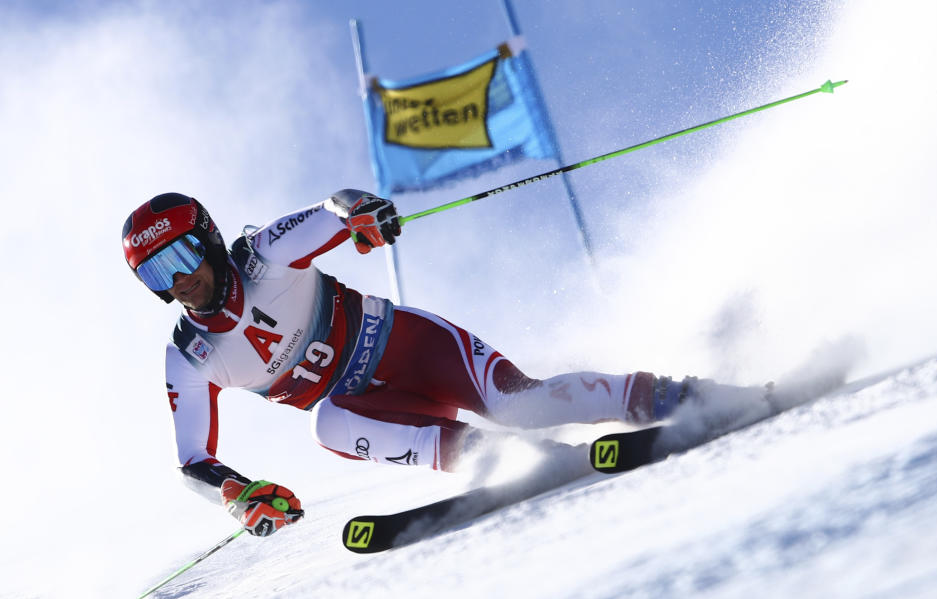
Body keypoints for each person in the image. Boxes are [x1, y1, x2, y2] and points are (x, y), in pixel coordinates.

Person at [122, 191, 763, 537]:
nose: (178, 281)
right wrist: (239, 496)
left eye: (179, 258)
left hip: (407, 346)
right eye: (156, 273)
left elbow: (333, 209)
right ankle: (519, 465)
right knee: (329, 425)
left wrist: (361, 216)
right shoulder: (190, 357)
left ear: (206, 238)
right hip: (370, 404)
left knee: (521, 403)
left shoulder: (261, 254)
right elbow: (192, 463)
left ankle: (681, 397)